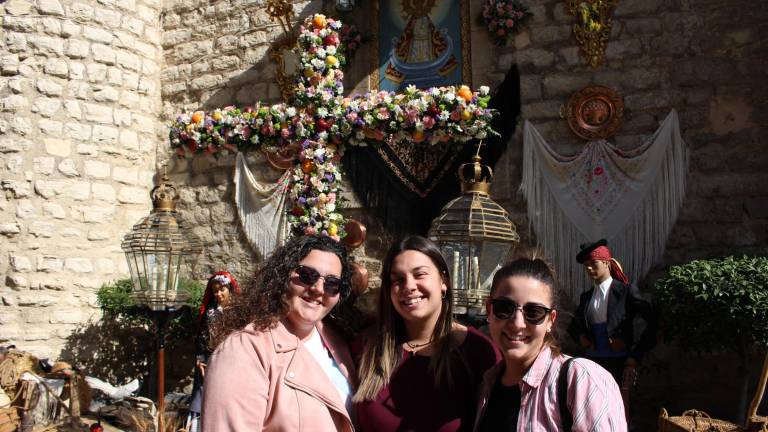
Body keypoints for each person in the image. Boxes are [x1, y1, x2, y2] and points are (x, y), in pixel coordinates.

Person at [202, 235, 356, 431]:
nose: (318, 289)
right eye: (307, 275)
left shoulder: (337, 342)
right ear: (283, 275)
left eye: (332, 284)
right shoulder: (243, 351)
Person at [354, 235, 499, 431]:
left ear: (444, 281)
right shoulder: (367, 347)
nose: (409, 286)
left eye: (420, 274)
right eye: (397, 279)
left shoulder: (478, 351)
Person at [474, 258, 626, 431]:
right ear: (489, 309)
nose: (517, 323)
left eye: (534, 312)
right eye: (504, 307)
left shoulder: (580, 380)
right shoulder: (485, 386)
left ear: (550, 321)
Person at [566, 239, 657, 385]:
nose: (589, 269)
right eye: (586, 266)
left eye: (593, 263)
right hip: (592, 363)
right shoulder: (587, 297)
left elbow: (655, 322)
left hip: (619, 362)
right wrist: (582, 339)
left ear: (607, 263)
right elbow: (573, 327)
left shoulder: (626, 292)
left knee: (620, 405)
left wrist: (635, 356)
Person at [187, 271, 241, 432]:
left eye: (221, 290)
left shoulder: (239, 311)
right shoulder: (210, 312)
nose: (218, 294)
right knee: (203, 393)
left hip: (233, 361)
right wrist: (200, 358)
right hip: (209, 360)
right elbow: (202, 337)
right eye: (215, 291)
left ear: (229, 289)